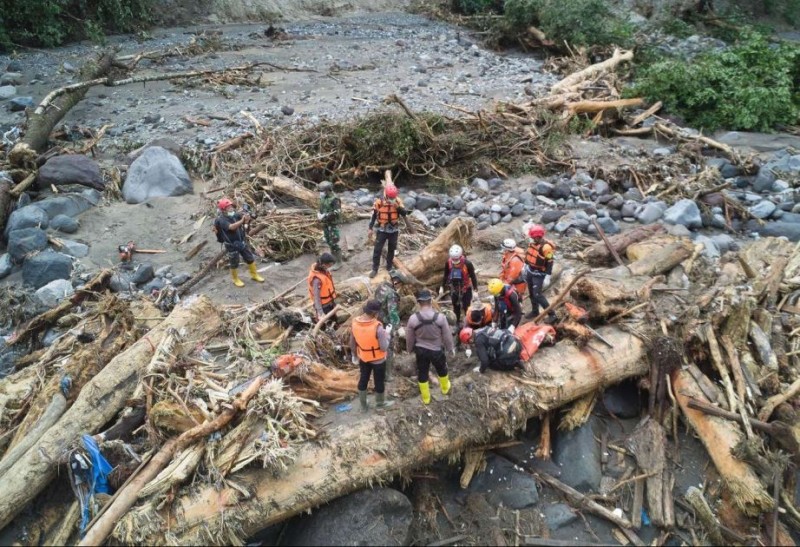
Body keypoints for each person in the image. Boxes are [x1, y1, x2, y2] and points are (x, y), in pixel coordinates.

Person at [406, 289, 454, 404]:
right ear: (430, 301)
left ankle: (426, 398)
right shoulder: (440, 317)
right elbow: (447, 335)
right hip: (437, 349)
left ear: (419, 302)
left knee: (422, 372)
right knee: (442, 369)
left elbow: (409, 337)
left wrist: (409, 349)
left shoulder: (413, 319)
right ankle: (445, 389)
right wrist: (450, 348)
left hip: (421, 350)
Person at [350, 299, 392, 412]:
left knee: (363, 379)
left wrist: (354, 355)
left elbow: (352, 342)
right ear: (375, 313)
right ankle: (380, 404)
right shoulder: (377, 327)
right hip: (378, 360)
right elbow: (384, 347)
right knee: (379, 381)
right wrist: (387, 334)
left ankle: (363, 405)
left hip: (363, 357)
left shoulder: (355, 323)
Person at [213, 198, 265, 288]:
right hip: (231, 245)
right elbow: (232, 227)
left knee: (250, 258)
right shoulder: (221, 220)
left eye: (231, 207)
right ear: (223, 210)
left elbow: (246, 220)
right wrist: (242, 221)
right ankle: (235, 279)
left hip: (241, 242)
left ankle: (254, 274)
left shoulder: (235, 215)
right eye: (228, 207)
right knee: (234, 262)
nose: (231, 209)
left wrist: (247, 219)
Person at [368, 184, 409, 278]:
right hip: (382, 229)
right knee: (377, 250)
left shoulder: (398, 201)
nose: (392, 198)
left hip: (394, 230)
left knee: (392, 249)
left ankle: (389, 267)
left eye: (393, 197)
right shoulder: (379, 202)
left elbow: (404, 213)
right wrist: (370, 228)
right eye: (390, 197)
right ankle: (375, 269)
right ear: (386, 195)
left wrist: (397, 207)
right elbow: (374, 216)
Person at [374, 269, 405, 381]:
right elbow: (392, 312)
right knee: (389, 346)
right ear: (396, 281)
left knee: (378, 345)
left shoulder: (381, 286)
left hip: (376, 320)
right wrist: (398, 327)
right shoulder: (392, 294)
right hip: (386, 323)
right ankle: (387, 375)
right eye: (401, 283)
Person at [524, 224, 557, 323]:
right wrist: (525, 266)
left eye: (533, 237)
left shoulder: (546, 248)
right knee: (531, 293)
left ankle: (552, 314)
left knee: (537, 294)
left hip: (539, 274)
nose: (531, 238)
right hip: (530, 270)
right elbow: (529, 255)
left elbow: (550, 262)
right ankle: (535, 311)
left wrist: (548, 276)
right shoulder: (533, 243)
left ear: (538, 237)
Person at [440, 244, 479, 326]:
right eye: (453, 259)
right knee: (455, 306)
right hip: (454, 289)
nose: (455, 261)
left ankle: (468, 322)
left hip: (466, 288)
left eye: (456, 259)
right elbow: (445, 275)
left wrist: (475, 290)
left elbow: (473, 276)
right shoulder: (448, 263)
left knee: (466, 307)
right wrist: (442, 287)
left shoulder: (467, 264)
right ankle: (457, 323)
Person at [459, 326, 524, 374]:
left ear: (470, 340)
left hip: (509, 351)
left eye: (468, 342)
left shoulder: (478, 341)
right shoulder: (485, 328)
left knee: (491, 364)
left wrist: (481, 370)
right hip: (516, 342)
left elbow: (485, 361)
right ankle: (515, 357)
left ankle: (515, 364)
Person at [317, 181, 344, 270]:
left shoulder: (335, 199)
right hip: (326, 223)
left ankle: (339, 262)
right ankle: (334, 260)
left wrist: (326, 215)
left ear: (328, 190)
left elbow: (337, 212)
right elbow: (321, 207)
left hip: (333, 224)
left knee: (334, 242)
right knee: (329, 241)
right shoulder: (323, 198)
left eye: (322, 191)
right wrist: (319, 214)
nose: (320, 192)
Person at [308, 252, 338, 325]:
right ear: (324, 264)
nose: (330, 266)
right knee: (327, 323)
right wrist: (320, 312)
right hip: (324, 306)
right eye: (330, 265)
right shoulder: (316, 280)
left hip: (330, 302)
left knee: (334, 320)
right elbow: (316, 297)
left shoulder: (323, 271)